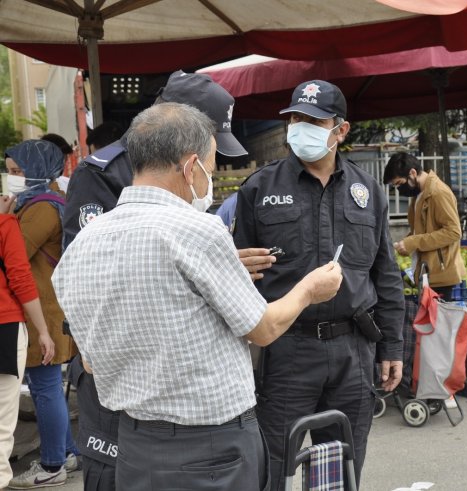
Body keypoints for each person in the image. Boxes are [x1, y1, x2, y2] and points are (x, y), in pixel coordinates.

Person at [51, 102, 343, 491]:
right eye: (210, 166)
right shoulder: (198, 230)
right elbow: (264, 327)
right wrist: (309, 289)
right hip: (212, 449)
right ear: (191, 168)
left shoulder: (83, 244)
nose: (209, 178)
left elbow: (89, 361)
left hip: (135, 444)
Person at [61, 70, 276, 490]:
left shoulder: (187, 208)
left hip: (177, 412)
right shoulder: (101, 175)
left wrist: (217, 267)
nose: (213, 168)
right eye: (211, 149)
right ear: (188, 150)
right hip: (125, 400)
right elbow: (92, 281)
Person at [233, 79, 405, 490]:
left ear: (340, 130)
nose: (299, 126)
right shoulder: (260, 188)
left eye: (312, 120)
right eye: (294, 118)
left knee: (342, 468)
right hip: (286, 351)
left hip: (353, 352)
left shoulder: (369, 192)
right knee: (274, 465)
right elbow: (234, 281)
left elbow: (386, 275)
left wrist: (393, 347)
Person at [4, 140, 79, 489]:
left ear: (36, 170)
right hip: (44, 307)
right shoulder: (38, 203)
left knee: (45, 387)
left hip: (42, 312)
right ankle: (65, 451)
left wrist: (5, 218)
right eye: (9, 171)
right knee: (45, 386)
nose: (11, 178)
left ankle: (51, 465)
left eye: (18, 172)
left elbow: (12, 254)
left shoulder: (42, 208)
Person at [0, 194, 55, 490]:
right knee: (1, 422)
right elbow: (21, 278)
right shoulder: (5, 225)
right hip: (4, 328)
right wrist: (43, 331)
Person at [383, 151, 465, 299]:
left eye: (399, 184)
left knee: (438, 321)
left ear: (413, 173)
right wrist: (406, 243)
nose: (399, 189)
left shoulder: (438, 192)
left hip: (440, 274)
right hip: (428, 272)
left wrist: (413, 242)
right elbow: (422, 230)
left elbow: (453, 232)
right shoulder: (420, 193)